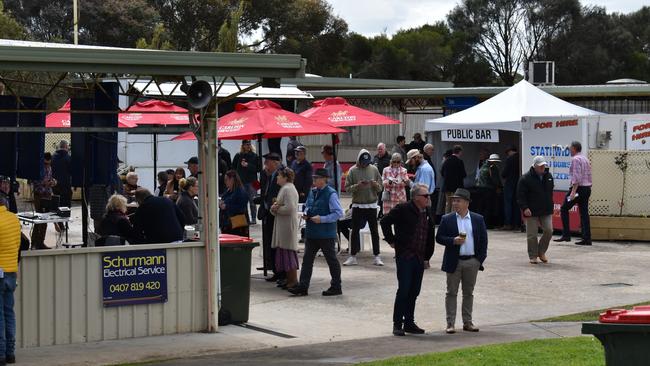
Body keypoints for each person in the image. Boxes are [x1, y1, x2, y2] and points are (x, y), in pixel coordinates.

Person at [380, 184, 435, 336]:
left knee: (414, 291)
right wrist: (392, 240)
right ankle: (397, 324)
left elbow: (429, 235)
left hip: (419, 257)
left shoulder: (427, 211)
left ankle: (409, 322)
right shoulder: (403, 208)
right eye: (426, 196)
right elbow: (385, 221)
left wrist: (427, 257)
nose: (428, 198)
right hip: (405, 256)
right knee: (404, 289)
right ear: (416, 197)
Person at [436, 188, 488, 334]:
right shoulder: (448, 219)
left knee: (468, 293)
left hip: (472, 261)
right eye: (453, 200)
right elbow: (439, 238)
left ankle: (468, 322)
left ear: (466, 203)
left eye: (458, 200)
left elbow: (484, 240)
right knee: (451, 292)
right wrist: (452, 241)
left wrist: (479, 260)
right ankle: (450, 323)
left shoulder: (478, 219)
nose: (455, 203)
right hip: (454, 261)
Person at [289, 168, 344, 297]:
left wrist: (322, 219)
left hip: (326, 234)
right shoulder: (312, 192)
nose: (314, 180)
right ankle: (303, 286)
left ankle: (336, 286)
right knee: (307, 261)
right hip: (312, 232)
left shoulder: (331, 194)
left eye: (317, 178)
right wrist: (306, 213)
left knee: (331, 260)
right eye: (314, 178)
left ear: (324, 179)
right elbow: (308, 205)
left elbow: (338, 213)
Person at [344, 149, 384, 266]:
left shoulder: (374, 169)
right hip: (357, 204)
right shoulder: (352, 170)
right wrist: (358, 186)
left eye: (367, 162)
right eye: (363, 162)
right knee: (355, 231)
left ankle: (377, 256)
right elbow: (347, 188)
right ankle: (353, 256)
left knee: (374, 231)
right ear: (359, 160)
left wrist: (374, 184)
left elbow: (380, 187)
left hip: (371, 205)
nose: (365, 164)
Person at [555, 141, 593, 246]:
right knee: (584, 213)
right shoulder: (585, 158)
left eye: (570, 148)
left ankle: (566, 235)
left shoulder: (575, 159)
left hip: (578, 190)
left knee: (564, 208)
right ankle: (587, 238)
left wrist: (573, 192)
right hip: (586, 189)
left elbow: (576, 177)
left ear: (575, 148)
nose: (569, 150)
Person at [517, 156, 554, 264]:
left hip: (546, 209)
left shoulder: (549, 176)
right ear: (535, 166)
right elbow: (520, 195)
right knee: (532, 234)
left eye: (544, 165)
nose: (543, 168)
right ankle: (533, 255)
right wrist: (525, 208)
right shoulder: (525, 178)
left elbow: (550, 192)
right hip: (531, 210)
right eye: (540, 166)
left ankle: (541, 251)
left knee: (549, 230)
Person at [270, 168, 300, 289]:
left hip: (287, 226)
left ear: (285, 177)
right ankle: (289, 279)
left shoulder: (288, 189)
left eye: (279, 176)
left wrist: (276, 209)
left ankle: (293, 280)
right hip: (284, 225)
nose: (277, 177)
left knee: (288, 253)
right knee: (285, 253)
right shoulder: (286, 188)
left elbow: (290, 208)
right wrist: (275, 209)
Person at [0, 196, 20, 365]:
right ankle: (10, 353)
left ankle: (0, 354)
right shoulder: (14, 219)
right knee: (9, 313)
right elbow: (19, 244)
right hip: (11, 271)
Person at [258, 152, 284, 280]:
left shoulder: (281, 174)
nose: (265, 165)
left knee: (276, 243)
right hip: (268, 212)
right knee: (270, 242)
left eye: (267, 162)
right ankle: (274, 270)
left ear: (275, 163)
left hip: (276, 213)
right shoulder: (268, 174)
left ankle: (280, 271)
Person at [30, 152, 56, 250]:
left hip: (47, 194)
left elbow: (51, 178)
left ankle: (41, 242)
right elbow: (33, 180)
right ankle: (34, 242)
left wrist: (53, 182)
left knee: (45, 220)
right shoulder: (39, 168)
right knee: (38, 220)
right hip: (39, 195)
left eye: (49, 163)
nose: (47, 165)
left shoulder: (49, 167)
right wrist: (43, 183)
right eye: (46, 163)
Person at [233, 140, 260, 225]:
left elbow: (258, 169)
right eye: (246, 145)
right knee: (242, 201)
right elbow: (233, 167)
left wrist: (248, 165)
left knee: (253, 201)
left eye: (249, 144)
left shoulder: (254, 156)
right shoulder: (238, 156)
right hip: (241, 182)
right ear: (243, 146)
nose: (248, 146)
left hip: (252, 182)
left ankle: (253, 218)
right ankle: (245, 218)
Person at [475, 154, 502, 228]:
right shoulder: (492, 168)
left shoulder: (483, 166)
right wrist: (499, 187)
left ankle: (478, 223)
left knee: (480, 207)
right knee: (488, 207)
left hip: (479, 189)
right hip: (488, 189)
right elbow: (495, 180)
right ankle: (486, 224)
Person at [220, 170, 250, 237]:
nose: (225, 182)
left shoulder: (241, 192)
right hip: (227, 224)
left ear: (232, 179)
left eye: (226, 180)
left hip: (237, 226)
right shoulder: (228, 191)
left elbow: (241, 208)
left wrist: (226, 206)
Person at [440, 145, 467, 213]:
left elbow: (442, 173)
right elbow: (463, 174)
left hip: (447, 186)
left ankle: (446, 218)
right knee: (455, 204)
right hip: (456, 187)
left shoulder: (446, 161)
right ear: (460, 152)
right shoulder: (460, 162)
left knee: (448, 203)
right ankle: (453, 219)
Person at [500, 145, 521, 231]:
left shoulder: (510, 159)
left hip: (509, 183)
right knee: (516, 204)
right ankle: (517, 224)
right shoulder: (520, 158)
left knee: (508, 204)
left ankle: (508, 223)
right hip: (518, 183)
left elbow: (504, 173)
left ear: (510, 151)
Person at [52, 140, 72, 211]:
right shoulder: (69, 158)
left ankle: (58, 221)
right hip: (66, 185)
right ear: (66, 146)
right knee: (66, 206)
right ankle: (65, 220)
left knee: (57, 203)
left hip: (55, 185)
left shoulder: (53, 157)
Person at [373, 143, 391, 217]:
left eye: (381, 149)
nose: (379, 150)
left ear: (385, 149)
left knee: (383, 198)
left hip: (385, 182)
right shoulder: (375, 157)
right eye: (378, 149)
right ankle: (377, 213)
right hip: (376, 181)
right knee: (376, 198)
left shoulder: (389, 157)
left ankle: (382, 213)